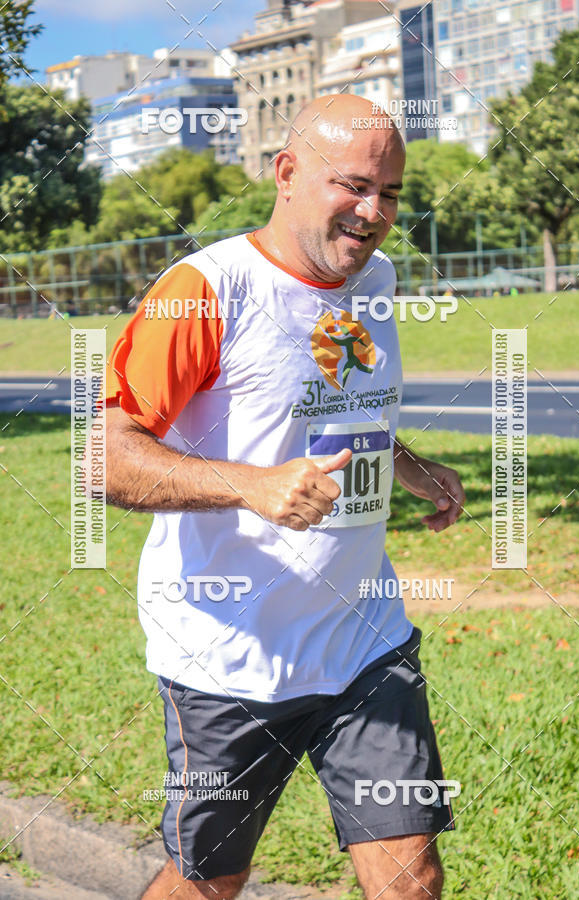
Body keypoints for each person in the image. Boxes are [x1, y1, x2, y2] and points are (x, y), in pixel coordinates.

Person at [104, 94, 465, 900]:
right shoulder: (205, 289)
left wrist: (410, 466)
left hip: (364, 639)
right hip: (227, 653)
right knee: (211, 881)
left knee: (410, 877)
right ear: (288, 172)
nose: (374, 213)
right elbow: (107, 459)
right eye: (353, 186)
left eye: (391, 193)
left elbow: (342, 406)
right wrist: (252, 485)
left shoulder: (376, 278)